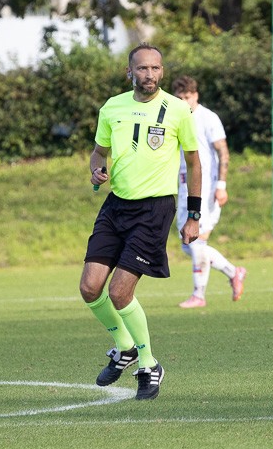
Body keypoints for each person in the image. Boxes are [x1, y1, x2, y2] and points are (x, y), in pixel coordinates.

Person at [79, 44, 203, 401]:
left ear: (162, 71)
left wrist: (193, 216)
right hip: (116, 206)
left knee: (120, 292)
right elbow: (99, 153)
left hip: (154, 209)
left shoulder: (178, 110)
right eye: (143, 68)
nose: (150, 74)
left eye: (156, 68)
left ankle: (149, 365)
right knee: (90, 288)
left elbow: (194, 163)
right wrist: (96, 171)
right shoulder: (112, 107)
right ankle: (125, 346)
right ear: (129, 72)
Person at [169, 75, 247, 309]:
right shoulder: (176, 118)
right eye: (180, 98)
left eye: (188, 96)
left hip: (205, 188)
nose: (184, 101)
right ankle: (233, 272)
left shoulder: (208, 117)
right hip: (185, 188)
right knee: (187, 244)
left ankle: (199, 295)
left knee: (197, 242)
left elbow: (223, 152)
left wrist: (221, 185)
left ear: (196, 95)